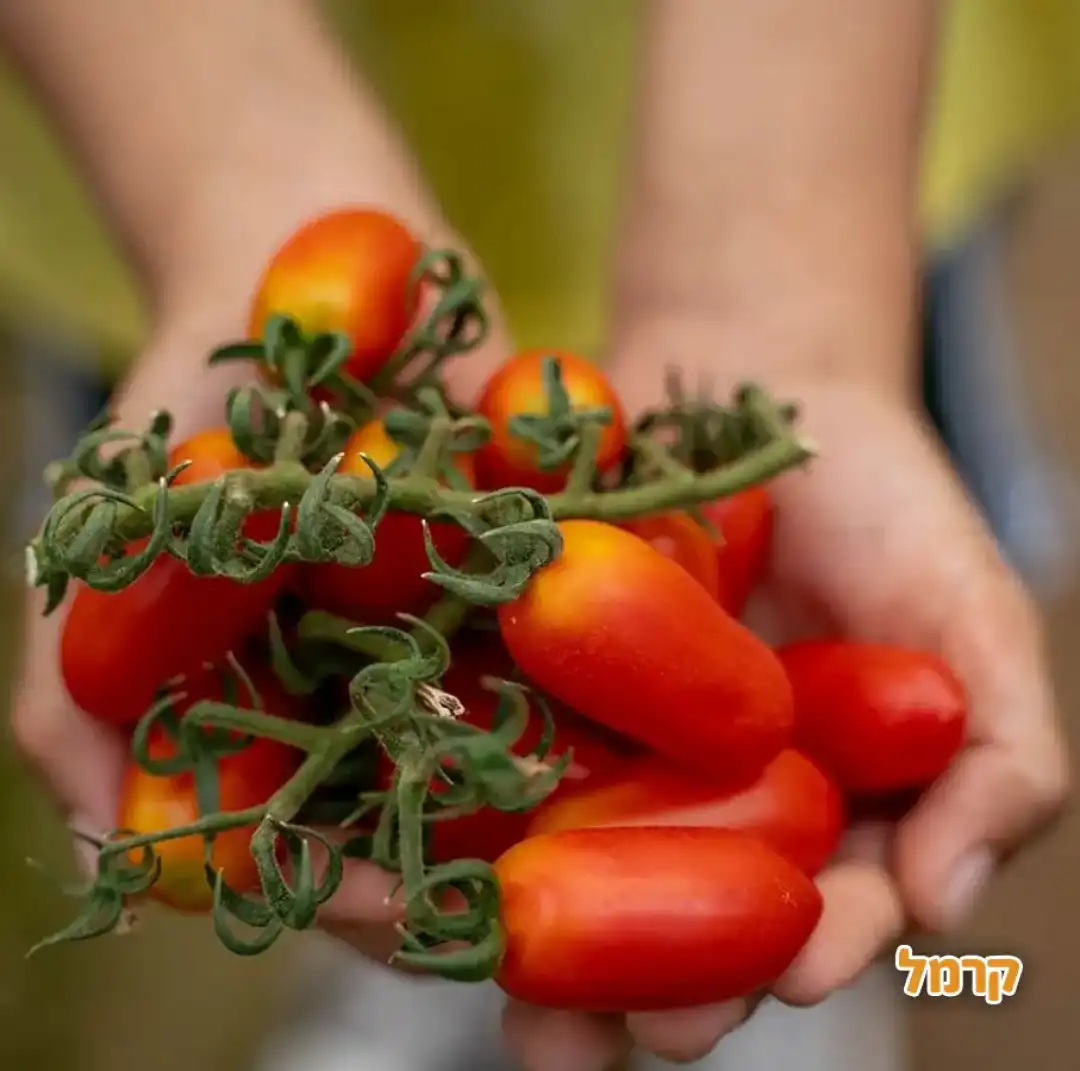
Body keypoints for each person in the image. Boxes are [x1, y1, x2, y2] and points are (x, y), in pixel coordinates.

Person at [2, 2, 1071, 1070]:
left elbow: (757, 714)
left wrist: (792, 296)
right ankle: (435, 887)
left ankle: (603, 912)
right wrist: (224, 180)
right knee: (393, 798)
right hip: (130, 127)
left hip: (831, 114)